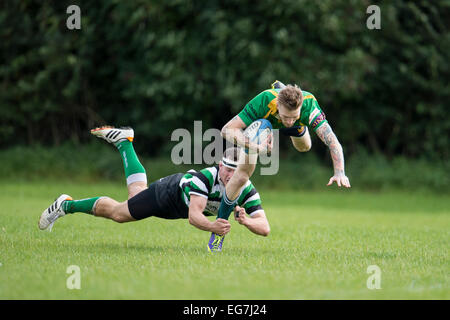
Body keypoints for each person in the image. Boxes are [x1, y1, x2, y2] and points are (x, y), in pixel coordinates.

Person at [38, 126, 270, 252]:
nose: (230, 176)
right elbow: (194, 216)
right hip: (167, 194)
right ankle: (65, 204)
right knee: (119, 214)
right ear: (219, 166)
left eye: (235, 171)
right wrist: (213, 226)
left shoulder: (246, 189)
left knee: (136, 192)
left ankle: (124, 142)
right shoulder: (205, 179)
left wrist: (246, 221)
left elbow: (265, 227)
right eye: (227, 169)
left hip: (176, 209)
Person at [209, 80, 351, 249]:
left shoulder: (309, 105)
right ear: (277, 104)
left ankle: (297, 125)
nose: (289, 121)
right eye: (286, 117)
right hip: (263, 126)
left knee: (304, 146)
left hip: (297, 127)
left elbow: (333, 141)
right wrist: (254, 146)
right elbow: (227, 130)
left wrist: (340, 172)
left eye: (294, 117)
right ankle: (218, 234)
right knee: (241, 177)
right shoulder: (264, 100)